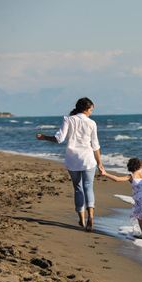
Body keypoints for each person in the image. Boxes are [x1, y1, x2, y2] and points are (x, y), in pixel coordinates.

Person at [36, 97, 104, 232]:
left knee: (78, 188)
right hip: (88, 159)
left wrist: (44, 137)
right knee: (88, 187)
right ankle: (91, 216)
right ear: (86, 109)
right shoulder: (92, 123)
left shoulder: (68, 119)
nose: (91, 112)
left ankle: (82, 219)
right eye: (91, 109)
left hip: (72, 159)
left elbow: (59, 139)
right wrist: (100, 163)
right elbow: (95, 146)